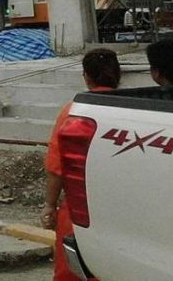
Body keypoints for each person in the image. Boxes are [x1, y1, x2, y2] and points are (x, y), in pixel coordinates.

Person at [43, 48, 121, 281]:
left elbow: (57, 167)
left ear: (86, 76)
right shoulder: (135, 109)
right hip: (124, 207)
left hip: (81, 209)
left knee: (73, 271)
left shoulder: (74, 112)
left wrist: (49, 205)